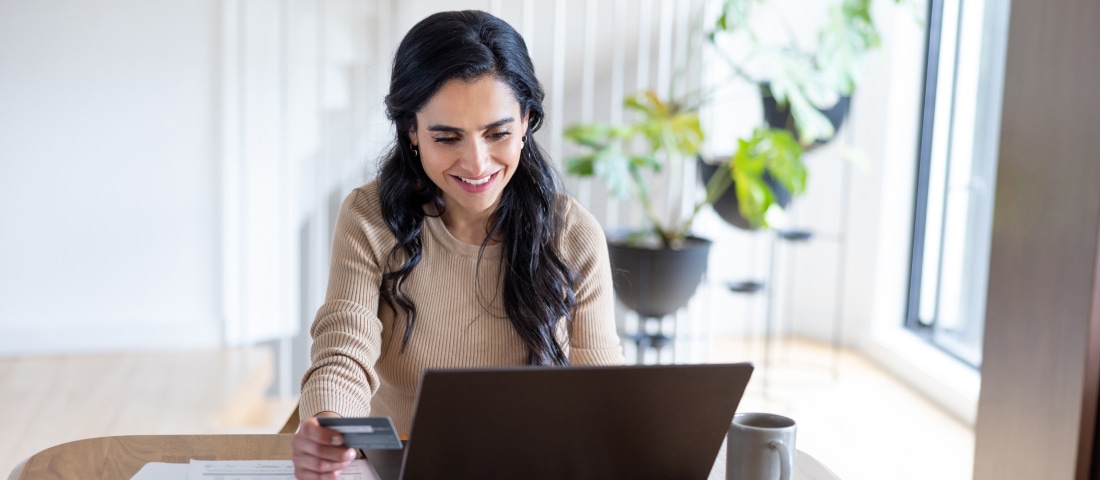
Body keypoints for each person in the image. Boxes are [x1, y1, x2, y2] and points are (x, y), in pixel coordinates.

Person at [290, 10, 624, 479]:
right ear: (411, 131)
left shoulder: (571, 233)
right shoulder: (369, 217)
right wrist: (329, 427)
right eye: (447, 138)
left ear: (526, 121)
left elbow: (601, 395)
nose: (476, 163)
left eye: (498, 133)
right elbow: (343, 352)